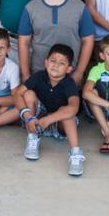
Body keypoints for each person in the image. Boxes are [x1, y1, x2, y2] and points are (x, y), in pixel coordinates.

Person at [16, 0, 96, 85]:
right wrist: (25, 74)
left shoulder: (79, 7)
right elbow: (23, 43)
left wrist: (79, 72)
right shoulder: (30, 8)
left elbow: (88, 40)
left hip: (69, 74)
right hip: (39, 73)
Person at [20, 44, 86, 176]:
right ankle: (32, 137)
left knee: (67, 111)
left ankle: (75, 153)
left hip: (58, 124)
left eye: (62, 63)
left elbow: (74, 107)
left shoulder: (69, 83)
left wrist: (49, 119)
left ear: (69, 69)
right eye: (53, 61)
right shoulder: (39, 76)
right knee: (28, 94)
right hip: (37, 122)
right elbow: (18, 93)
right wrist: (27, 115)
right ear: (46, 62)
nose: (56, 66)